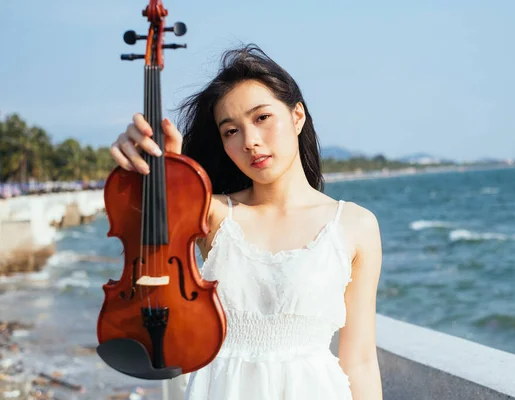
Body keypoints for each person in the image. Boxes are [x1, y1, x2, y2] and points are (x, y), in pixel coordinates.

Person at [109, 44, 383, 400]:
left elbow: (359, 360)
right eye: (231, 131)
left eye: (262, 118)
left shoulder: (354, 225)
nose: (251, 141)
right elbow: (138, 223)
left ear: (297, 116)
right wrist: (151, 164)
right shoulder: (212, 213)